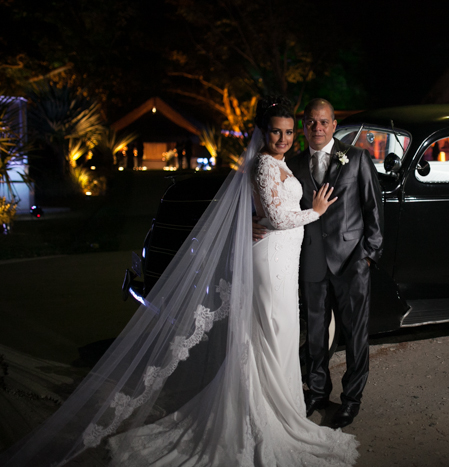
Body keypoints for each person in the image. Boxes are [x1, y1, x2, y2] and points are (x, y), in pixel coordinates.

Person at [0, 97, 360, 466]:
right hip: (269, 263)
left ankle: (282, 410)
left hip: (284, 259)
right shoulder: (264, 166)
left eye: (287, 132)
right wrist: (313, 212)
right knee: (271, 331)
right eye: (275, 131)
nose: (282, 138)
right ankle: (262, 415)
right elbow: (277, 217)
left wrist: (266, 220)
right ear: (262, 132)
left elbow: (264, 213)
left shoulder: (283, 163)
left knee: (280, 335)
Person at [287, 98, 383, 428]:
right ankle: (316, 391)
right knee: (315, 334)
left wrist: (368, 255)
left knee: (355, 334)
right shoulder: (294, 163)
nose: (317, 127)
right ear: (304, 126)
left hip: (352, 262)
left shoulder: (356, 158)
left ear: (334, 124)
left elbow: (373, 208)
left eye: (323, 122)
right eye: (311, 122)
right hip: (311, 261)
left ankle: (351, 399)